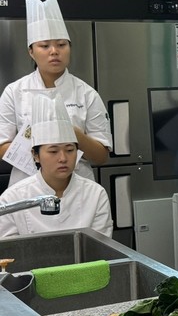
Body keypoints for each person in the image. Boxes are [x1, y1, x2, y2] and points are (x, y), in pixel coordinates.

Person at [0, 0, 112, 187]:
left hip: (78, 190)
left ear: (69, 48)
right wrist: (44, 152)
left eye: (61, 44)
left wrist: (75, 135)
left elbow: (101, 156)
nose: (54, 51)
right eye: (44, 46)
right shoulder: (14, 92)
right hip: (27, 187)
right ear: (31, 52)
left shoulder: (86, 94)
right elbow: (2, 145)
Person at [0, 93, 112, 238]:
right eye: (53, 151)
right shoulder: (13, 198)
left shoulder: (95, 194)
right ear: (35, 155)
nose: (63, 158)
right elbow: (9, 248)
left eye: (70, 150)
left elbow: (100, 245)